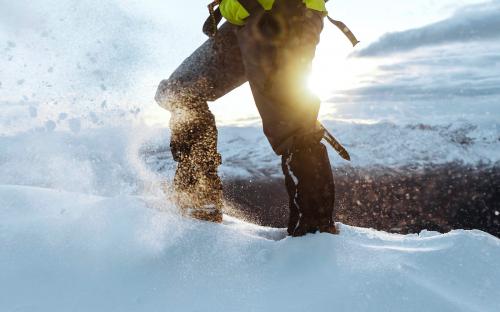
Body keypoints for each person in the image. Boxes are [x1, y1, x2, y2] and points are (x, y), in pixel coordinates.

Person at [155, 0, 337, 236]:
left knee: (293, 128)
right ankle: (197, 198)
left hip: (284, 13)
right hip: (243, 16)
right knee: (178, 91)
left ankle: (315, 233)